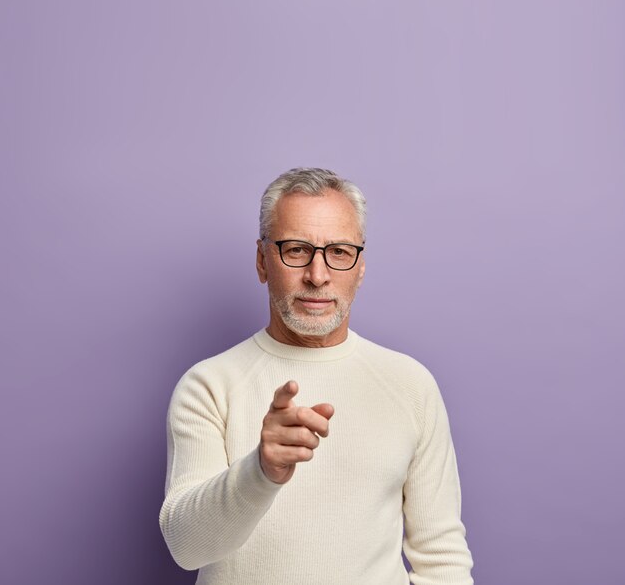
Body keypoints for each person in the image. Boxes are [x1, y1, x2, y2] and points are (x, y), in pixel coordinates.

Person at [159, 168, 474, 584]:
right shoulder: (208, 386)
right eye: (296, 250)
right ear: (261, 261)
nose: (318, 275)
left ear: (360, 268)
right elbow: (186, 547)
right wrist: (262, 470)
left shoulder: (410, 385)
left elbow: (443, 561)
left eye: (339, 252)